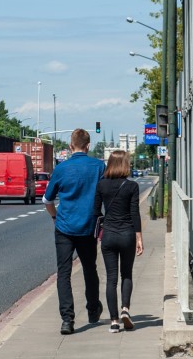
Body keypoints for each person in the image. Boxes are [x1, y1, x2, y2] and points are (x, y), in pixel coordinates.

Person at [43, 128, 106, 335]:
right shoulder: (98, 166)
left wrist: (55, 217)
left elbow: (47, 200)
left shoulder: (62, 169)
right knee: (90, 269)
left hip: (64, 227)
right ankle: (92, 309)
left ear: (71, 146)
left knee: (64, 273)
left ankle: (67, 320)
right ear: (88, 146)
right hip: (88, 227)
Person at [93, 150, 143, 333]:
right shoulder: (132, 187)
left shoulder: (101, 185)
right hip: (127, 234)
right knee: (127, 274)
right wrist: (139, 237)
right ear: (125, 165)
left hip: (109, 235)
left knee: (111, 279)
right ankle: (125, 310)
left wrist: (103, 225)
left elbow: (95, 211)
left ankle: (114, 321)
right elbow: (134, 213)